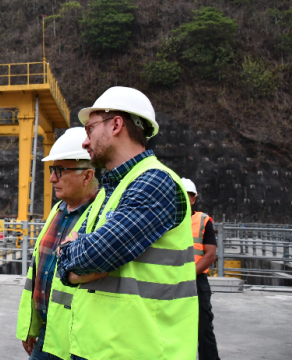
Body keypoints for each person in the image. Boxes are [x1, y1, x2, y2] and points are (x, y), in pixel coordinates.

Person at [56, 86, 198, 360]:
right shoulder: (112, 190)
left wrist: (78, 258)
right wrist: (73, 261)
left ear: (116, 124)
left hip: (142, 350)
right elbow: (72, 259)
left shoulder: (154, 182)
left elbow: (93, 256)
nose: (85, 143)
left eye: (90, 130)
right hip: (100, 348)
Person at [16, 128, 99, 360]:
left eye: (60, 171)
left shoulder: (101, 216)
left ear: (87, 176)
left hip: (79, 340)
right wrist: (31, 325)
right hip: (48, 332)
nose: (52, 178)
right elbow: (37, 272)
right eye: (53, 170)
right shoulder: (57, 211)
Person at [182, 178, 220, 360]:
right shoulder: (165, 222)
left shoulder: (203, 220)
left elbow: (210, 254)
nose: (182, 199)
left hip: (196, 282)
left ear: (193, 198)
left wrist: (188, 274)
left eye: (186, 196)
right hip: (170, 280)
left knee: (204, 329)